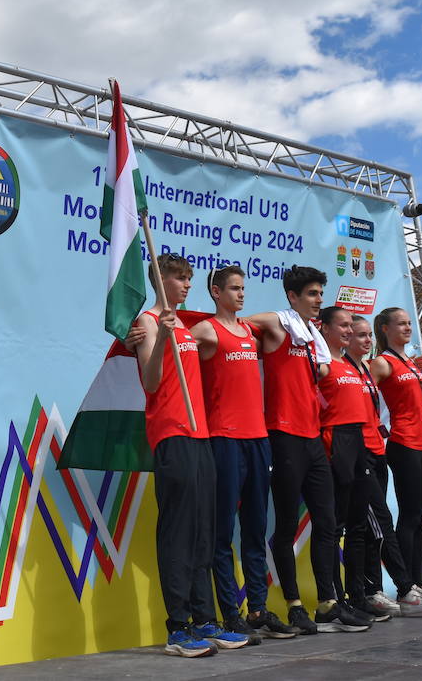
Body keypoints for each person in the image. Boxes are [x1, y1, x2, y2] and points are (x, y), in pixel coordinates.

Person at [128, 252, 245, 656]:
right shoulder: (146, 321)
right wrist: (160, 337)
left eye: (189, 279)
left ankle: (205, 619)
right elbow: (149, 379)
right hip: (171, 433)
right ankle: (178, 627)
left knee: (204, 533)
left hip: (202, 434)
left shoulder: (189, 325)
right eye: (179, 278)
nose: (186, 285)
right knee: (178, 533)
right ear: (160, 279)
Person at [245, 266, 367, 634]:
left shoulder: (313, 335)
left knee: (327, 523)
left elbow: (323, 374)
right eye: (312, 294)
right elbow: (237, 323)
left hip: (313, 437)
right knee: (284, 525)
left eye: (320, 294)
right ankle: (294, 605)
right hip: (282, 435)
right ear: (292, 297)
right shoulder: (279, 325)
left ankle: (328, 603)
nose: (318, 301)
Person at [188, 265, 294, 641]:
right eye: (234, 288)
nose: (241, 294)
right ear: (216, 292)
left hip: (257, 439)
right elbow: (173, 348)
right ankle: (229, 613)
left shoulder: (251, 332)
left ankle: (258, 610)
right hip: (224, 439)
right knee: (222, 533)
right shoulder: (205, 330)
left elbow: (284, 325)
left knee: (254, 530)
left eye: (243, 288)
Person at [370, 307, 422, 614]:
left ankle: (419, 582)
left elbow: (420, 401)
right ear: (386, 329)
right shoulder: (382, 362)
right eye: (400, 324)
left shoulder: (412, 363)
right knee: (408, 515)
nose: (407, 328)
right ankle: (406, 587)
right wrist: (379, 429)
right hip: (402, 443)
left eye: (408, 323)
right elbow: (364, 393)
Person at [346, 315, 418, 617]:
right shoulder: (350, 368)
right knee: (377, 523)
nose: (366, 340)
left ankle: (375, 591)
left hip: (378, 451)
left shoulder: (365, 368)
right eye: (359, 335)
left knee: (373, 527)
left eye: (366, 335)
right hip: (358, 453)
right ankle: (402, 587)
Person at [315, 307, 384, 623]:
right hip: (335, 440)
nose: (347, 330)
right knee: (335, 525)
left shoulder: (352, 365)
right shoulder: (322, 364)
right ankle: (334, 600)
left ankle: (358, 595)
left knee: (359, 525)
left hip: (359, 441)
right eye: (342, 326)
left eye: (349, 326)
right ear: (325, 328)